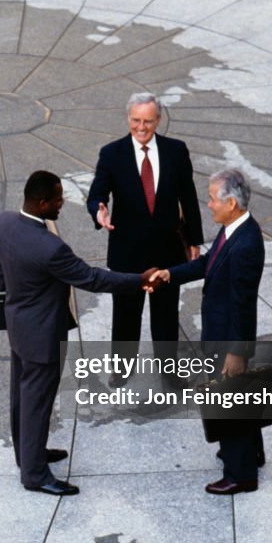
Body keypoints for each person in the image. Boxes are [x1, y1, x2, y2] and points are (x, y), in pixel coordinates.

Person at [0, 170, 150, 496]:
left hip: (18, 325)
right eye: (58, 199)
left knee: (21, 396)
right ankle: (34, 475)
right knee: (37, 402)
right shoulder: (50, 247)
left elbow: (0, 274)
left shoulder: (3, 223)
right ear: (42, 202)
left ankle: (28, 454)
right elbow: (93, 279)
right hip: (42, 335)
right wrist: (139, 280)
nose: (62, 203)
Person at [150, 169, 266, 495]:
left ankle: (240, 474)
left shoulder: (245, 245)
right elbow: (206, 265)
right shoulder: (232, 230)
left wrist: (236, 352)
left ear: (231, 202)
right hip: (220, 330)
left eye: (213, 199)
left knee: (230, 398)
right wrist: (170, 274)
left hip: (227, 337)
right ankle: (251, 453)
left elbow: (243, 306)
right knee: (238, 394)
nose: (209, 204)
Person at [86, 93, 203, 384]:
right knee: (125, 316)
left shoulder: (176, 151)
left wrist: (194, 241)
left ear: (158, 120)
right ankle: (121, 370)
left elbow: (188, 198)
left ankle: (169, 371)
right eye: (136, 120)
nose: (141, 127)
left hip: (168, 250)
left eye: (148, 121)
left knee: (165, 317)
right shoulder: (112, 154)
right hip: (128, 252)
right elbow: (97, 193)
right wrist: (98, 211)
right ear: (128, 118)